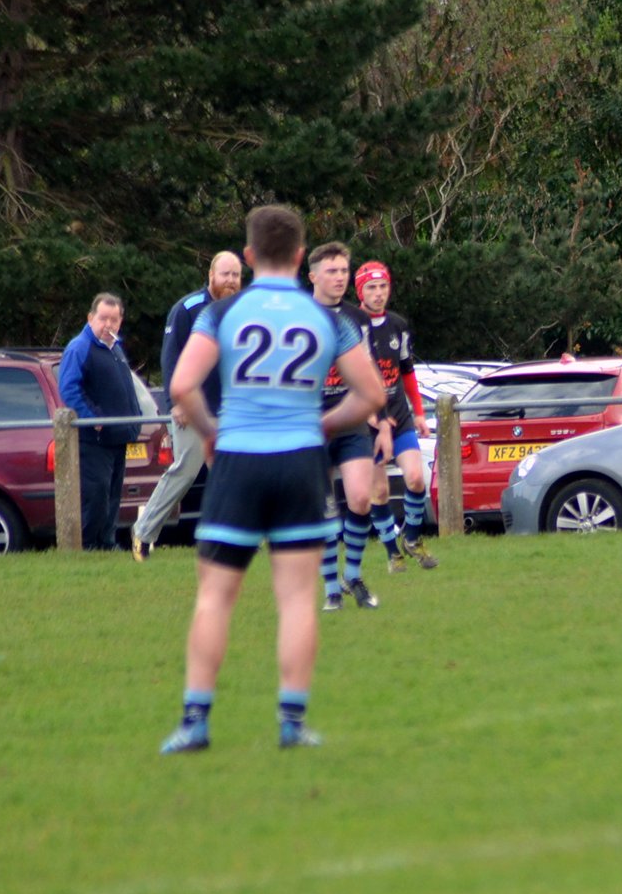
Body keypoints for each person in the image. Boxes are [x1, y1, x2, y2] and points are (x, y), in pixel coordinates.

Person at [159, 204, 385, 754]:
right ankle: (291, 722)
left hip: (239, 457)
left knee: (215, 597)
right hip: (300, 462)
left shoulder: (223, 312)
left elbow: (182, 385)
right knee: (298, 598)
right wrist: (323, 424)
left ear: (249, 256)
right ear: (302, 257)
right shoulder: (327, 318)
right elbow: (372, 395)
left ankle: (195, 721)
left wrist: (212, 431)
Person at [130, 251, 243, 561]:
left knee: (232, 473)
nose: (231, 280)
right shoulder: (187, 309)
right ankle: (143, 532)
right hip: (191, 409)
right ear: (211, 276)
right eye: (225, 274)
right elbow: (170, 359)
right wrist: (175, 403)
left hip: (230, 410)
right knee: (185, 472)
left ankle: (233, 538)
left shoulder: (242, 311)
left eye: (236, 275)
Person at [308, 242, 380, 611]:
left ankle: (353, 574)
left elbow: (369, 368)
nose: (339, 278)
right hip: (311, 426)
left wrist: (378, 417)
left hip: (351, 421)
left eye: (343, 271)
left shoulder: (357, 319)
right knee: (323, 510)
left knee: (360, 498)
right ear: (313, 276)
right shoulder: (300, 316)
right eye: (332, 271)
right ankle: (330, 588)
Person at [355, 260, 438, 573]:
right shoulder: (351, 326)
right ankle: (393, 553)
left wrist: (419, 413)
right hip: (368, 422)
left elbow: (407, 372)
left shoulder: (398, 325)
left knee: (416, 478)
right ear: (360, 291)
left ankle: (412, 539)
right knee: (379, 492)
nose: (378, 293)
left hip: (399, 416)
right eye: (371, 288)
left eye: (383, 287)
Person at [58, 292, 142, 551]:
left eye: (114, 320)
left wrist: (135, 418)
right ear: (90, 318)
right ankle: (90, 545)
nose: (108, 325)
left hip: (118, 437)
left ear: (120, 321)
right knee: (97, 493)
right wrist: (91, 418)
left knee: (113, 493)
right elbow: (69, 387)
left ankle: (107, 542)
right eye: (103, 318)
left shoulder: (115, 348)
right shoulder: (79, 347)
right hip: (94, 439)